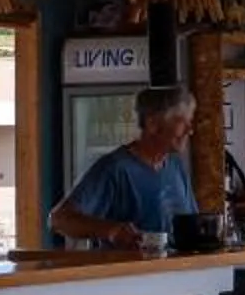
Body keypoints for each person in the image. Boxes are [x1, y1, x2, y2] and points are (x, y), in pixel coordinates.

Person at [48, 86, 197, 248]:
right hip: (130, 272)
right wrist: (111, 231)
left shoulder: (176, 167)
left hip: (178, 273)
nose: (190, 130)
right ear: (152, 124)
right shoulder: (115, 168)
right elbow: (58, 220)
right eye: (182, 121)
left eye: (191, 121)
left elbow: (193, 223)